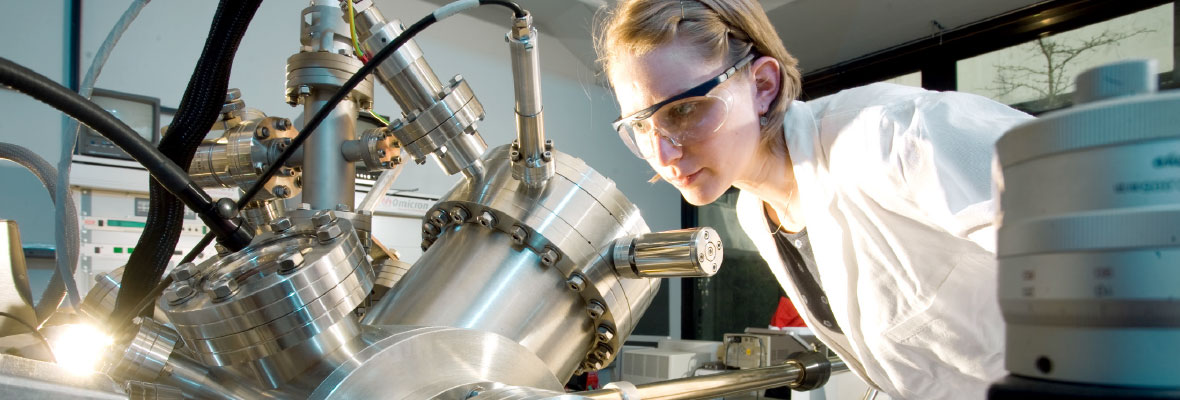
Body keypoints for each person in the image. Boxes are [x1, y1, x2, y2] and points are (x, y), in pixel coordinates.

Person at [594, 1, 1034, 398]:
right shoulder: (754, 212)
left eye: (683, 110)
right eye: (640, 126)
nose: (663, 154)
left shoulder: (890, 136)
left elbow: (1093, 224)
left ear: (762, 84)